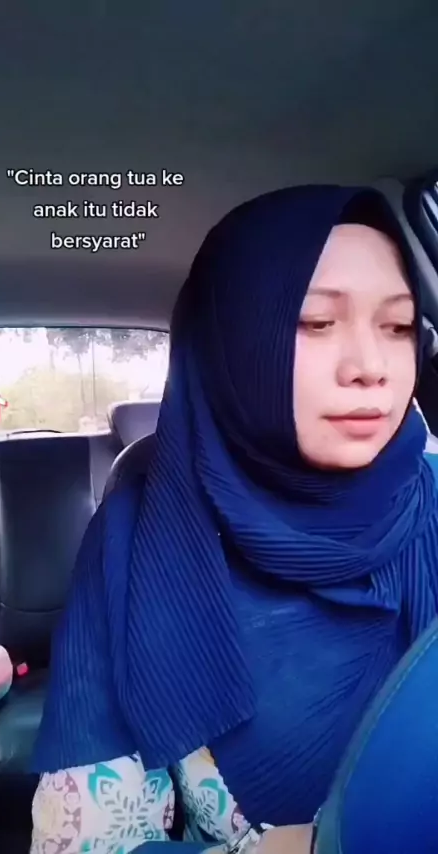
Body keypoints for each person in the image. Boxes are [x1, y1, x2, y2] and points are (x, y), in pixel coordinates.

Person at [29, 185, 438, 854]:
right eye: (315, 322)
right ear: (230, 341)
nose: (372, 368)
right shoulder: (135, 538)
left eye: (397, 327)